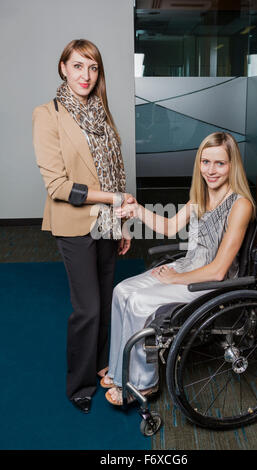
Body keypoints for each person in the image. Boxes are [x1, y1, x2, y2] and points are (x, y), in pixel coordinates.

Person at [101, 131, 255, 405]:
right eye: (205, 162)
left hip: (209, 283)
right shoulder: (200, 196)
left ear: (233, 165)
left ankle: (143, 383)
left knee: (138, 303)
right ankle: (118, 371)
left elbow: (219, 270)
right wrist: (138, 211)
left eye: (220, 163)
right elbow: (170, 227)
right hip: (186, 267)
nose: (211, 170)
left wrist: (176, 278)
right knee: (122, 290)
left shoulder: (240, 204)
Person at [32, 39, 133, 413]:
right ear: (63, 68)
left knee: (106, 302)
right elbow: (58, 186)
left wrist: (122, 224)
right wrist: (113, 201)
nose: (85, 75)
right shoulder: (48, 114)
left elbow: (115, 172)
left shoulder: (101, 113)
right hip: (75, 224)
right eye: (77, 66)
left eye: (92, 68)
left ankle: (102, 363)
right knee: (87, 309)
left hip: (108, 223)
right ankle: (79, 383)